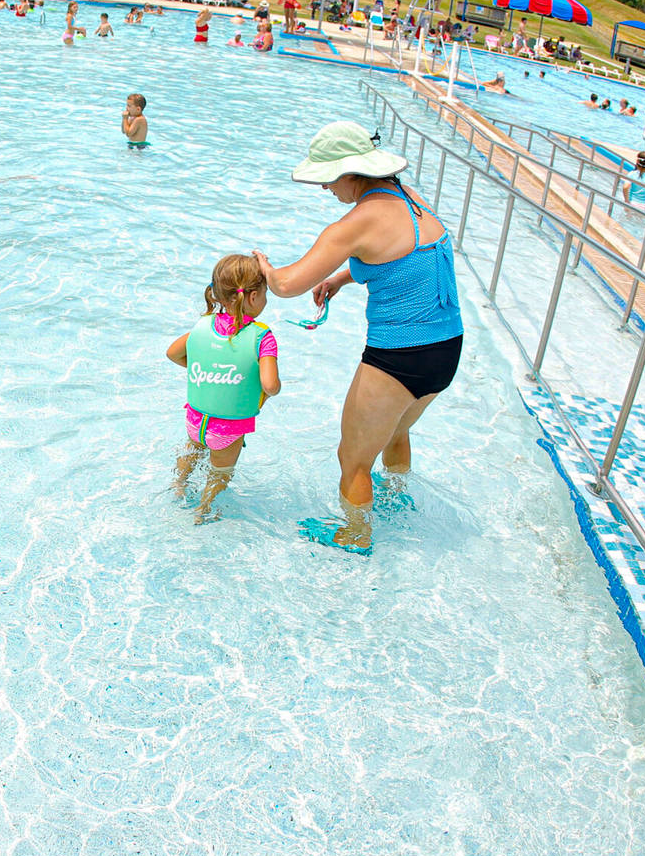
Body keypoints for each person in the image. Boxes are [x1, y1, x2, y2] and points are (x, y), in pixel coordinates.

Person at [252, 123, 463, 556]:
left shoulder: (353, 224)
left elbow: (288, 285)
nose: (326, 188)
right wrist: (342, 279)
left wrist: (267, 268)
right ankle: (396, 498)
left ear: (352, 174)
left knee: (352, 459)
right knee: (395, 432)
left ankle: (354, 537)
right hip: (445, 350)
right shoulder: (411, 200)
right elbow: (401, 258)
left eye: (329, 178)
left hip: (398, 358)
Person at [167, 255, 280, 523]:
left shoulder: (203, 325)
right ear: (253, 296)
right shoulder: (263, 338)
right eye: (265, 294)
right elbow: (270, 385)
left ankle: (178, 485)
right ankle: (203, 510)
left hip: (196, 421)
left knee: (192, 451)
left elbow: (172, 354)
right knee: (220, 473)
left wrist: (209, 370)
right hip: (228, 430)